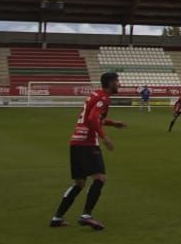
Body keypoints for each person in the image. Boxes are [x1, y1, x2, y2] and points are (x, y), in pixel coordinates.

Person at [50, 71, 128, 230]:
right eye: (117, 81)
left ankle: (57, 218)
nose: (119, 84)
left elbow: (91, 117)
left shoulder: (95, 95)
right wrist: (104, 137)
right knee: (100, 178)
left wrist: (112, 123)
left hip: (76, 141)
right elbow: (92, 119)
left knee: (79, 183)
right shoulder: (104, 98)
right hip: (87, 142)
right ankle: (86, 215)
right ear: (110, 82)